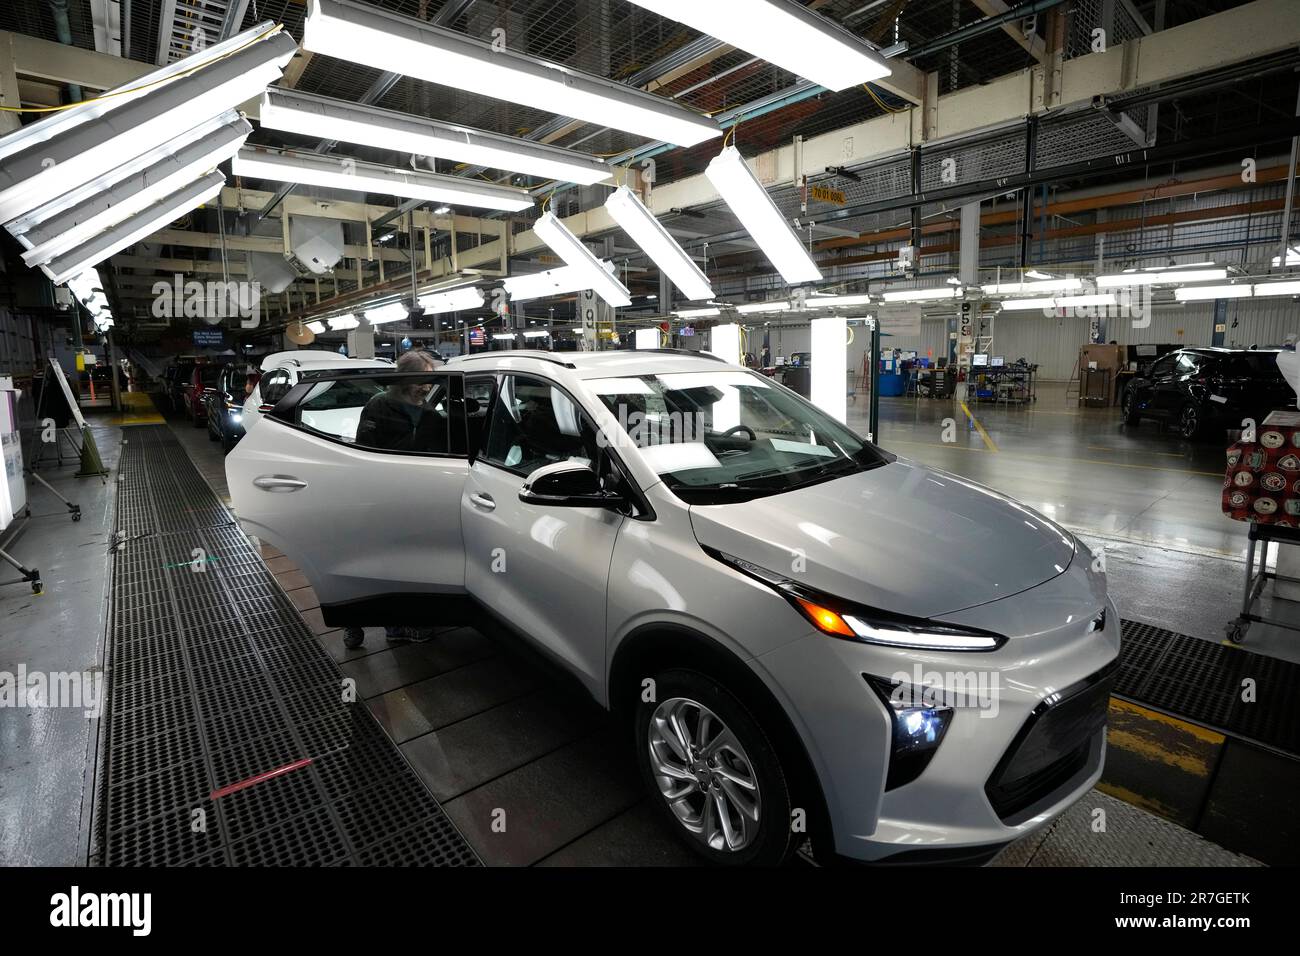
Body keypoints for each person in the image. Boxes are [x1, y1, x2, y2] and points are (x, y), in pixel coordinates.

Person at [343, 349, 443, 650]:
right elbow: (364, 451)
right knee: (380, 564)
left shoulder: (430, 413)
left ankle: (403, 624)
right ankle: (360, 621)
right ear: (403, 379)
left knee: (410, 562)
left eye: (429, 382)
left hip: (417, 498)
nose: (426, 388)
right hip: (384, 496)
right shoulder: (379, 406)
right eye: (419, 381)